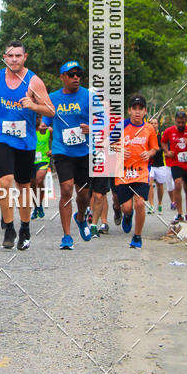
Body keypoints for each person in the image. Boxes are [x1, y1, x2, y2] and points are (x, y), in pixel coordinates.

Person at [0, 41, 55, 251]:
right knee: (4, 182)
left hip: (25, 141)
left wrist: (33, 105)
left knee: (23, 185)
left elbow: (50, 110)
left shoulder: (34, 82)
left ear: (25, 57)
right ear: (4, 57)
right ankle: (9, 228)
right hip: (1, 136)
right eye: (10, 56)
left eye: (18, 56)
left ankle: (25, 228)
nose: (14, 59)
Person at [44, 61, 109, 250]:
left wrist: (92, 128)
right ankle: (66, 236)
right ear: (62, 77)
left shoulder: (89, 96)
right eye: (71, 74)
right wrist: (43, 125)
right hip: (62, 150)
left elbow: (104, 122)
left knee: (82, 195)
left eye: (78, 74)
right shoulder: (53, 97)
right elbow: (47, 118)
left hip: (84, 151)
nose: (75, 78)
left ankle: (80, 218)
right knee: (66, 189)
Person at [113, 94, 158, 248]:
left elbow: (154, 148)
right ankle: (127, 215)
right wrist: (118, 149)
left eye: (140, 109)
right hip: (123, 173)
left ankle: (137, 237)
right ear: (129, 110)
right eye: (134, 108)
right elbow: (106, 144)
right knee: (126, 207)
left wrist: (149, 153)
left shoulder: (149, 128)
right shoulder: (121, 126)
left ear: (145, 111)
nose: (137, 112)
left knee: (139, 203)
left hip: (141, 172)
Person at [162, 111, 187, 223]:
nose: (180, 125)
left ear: (186, 121)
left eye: (182, 122)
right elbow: (163, 142)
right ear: (175, 121)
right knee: (177, 184)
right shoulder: (169, 131)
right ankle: (179, 213)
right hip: (176, 162)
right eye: (178, 123)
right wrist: (167, 152)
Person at [30, 120, 51, 220]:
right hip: (30, 160)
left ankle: (39, 204)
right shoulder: (30, 130)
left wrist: (52, 150)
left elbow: (56, 140)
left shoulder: (48, 130)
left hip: (43, 159)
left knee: (39, 180)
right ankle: (37, 206)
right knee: (32, 185)